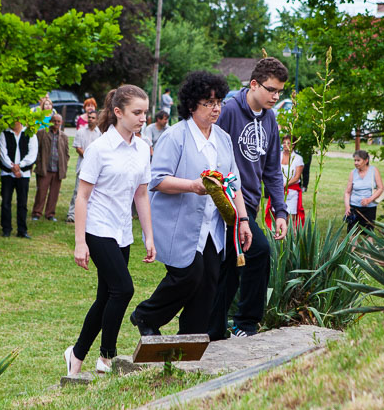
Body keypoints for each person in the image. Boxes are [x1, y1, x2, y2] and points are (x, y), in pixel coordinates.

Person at [130, 71, 252, 336]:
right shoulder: (175, 136)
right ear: (191, 105)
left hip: (211, 227)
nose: (216, 108)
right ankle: (146, 316)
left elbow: (234, 183)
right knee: (188, 275)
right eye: (209, 103)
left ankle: (191, 339)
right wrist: (192, 186)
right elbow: (157, 180)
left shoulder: (223, 138)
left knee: (208, 283)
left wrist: (243, 220)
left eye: (218, 102)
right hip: (177, 224)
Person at [63, 85, 155, 376]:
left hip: (122, 231)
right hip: (97, 228)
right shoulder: (99, 149)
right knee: (124, 289)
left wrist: (149, 236)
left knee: (106, 297)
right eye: (137, 112)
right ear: (118, 112)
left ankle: (76, 355)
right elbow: (82, 197)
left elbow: (141, 194)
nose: (143, 118)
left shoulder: (143, 148)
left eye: (145, 112)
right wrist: (80, 242)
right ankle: (107, 357)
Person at [208, 57, 290, 340]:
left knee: (231, 268)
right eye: (271, 90)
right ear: (254, 84)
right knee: (259, 251)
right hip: (224, 203)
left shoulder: (270, 119)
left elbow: (272, 170)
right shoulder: (230, 111)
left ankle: (214, 330)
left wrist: (280, 211)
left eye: (279, 91)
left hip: (250, 205)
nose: (275, 96)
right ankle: (246, 323)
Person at [0, 120, 38, 238]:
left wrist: (20, 166)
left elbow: (32, 154)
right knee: (6, 202)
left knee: (22, 203)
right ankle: (6, 229)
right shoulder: (4, 134)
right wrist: (12, 167)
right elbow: (3, 154)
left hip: (23, 173)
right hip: (7, 173)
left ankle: (22, 230)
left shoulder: (30, 134)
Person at [31, 114, 70, 222]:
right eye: (54, 121)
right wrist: (39, 162)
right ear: (50, 121)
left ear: (61, 123)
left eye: (58, 121)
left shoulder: (64, 136)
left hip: (58, 170)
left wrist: (64, 164)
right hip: (45, 168)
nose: (56, 123)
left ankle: (50, 214)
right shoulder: (42, 133)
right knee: (41, 192)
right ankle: (37, 213)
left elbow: (66, 153)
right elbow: (36, 150)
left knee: (54, 193)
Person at [66, 110, 101, 223]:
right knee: (78, 190)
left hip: (95, 166)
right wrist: (88, 156)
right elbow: (78, 148)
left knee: (92, 193)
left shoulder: (99, 134)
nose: (90, 119)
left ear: (97, 120)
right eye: (89, 117)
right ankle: (72, 214)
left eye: (93, 118)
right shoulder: (81, 131)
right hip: (82, 165)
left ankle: (87, 215)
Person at [265, 135, 305, 229]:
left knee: (291, 217)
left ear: (293, 145)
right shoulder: (277, 156)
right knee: (277, 215)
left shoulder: (298, 158)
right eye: (283, 143)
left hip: (291, 191)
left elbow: (297, 177)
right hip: (278, 191)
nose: (285, 145)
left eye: (288, 143)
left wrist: (284, 185)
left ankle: (291, 234)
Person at [344, 149, 384, 232]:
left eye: (358, 160)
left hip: (370, 208)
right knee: (352, 233)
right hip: (354, 207)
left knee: (368, 233)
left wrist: (369, 200)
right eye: (355, 160)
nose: (356, 163)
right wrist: (347, 207)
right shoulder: (353, 173)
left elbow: (380, 188)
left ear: (366, 161)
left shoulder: (374, 170)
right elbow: (347, 192)